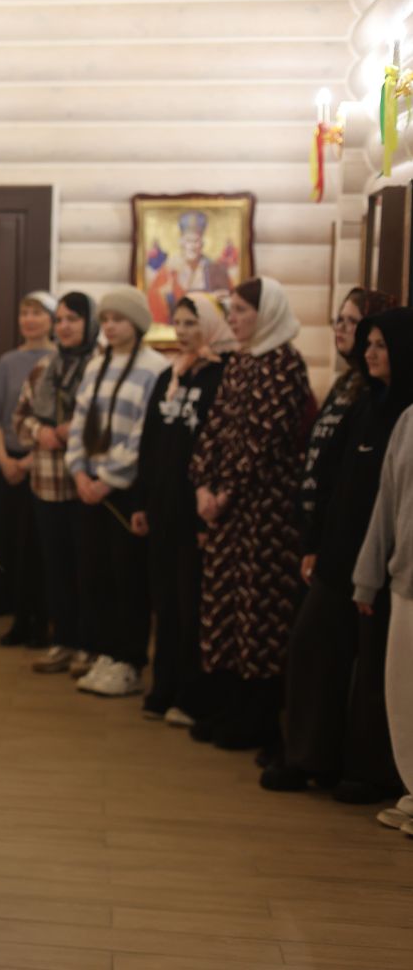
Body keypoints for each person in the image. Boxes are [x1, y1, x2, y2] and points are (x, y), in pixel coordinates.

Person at [266, 310, 413, 802]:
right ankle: (309, 757)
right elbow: (329, 477)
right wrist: (313, 543)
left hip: (386, 563)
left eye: (381, 345)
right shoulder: (364, 404)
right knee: (311, 646)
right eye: (367, 344)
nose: (369, 353)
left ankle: (370, 772)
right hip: (337, 554)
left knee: (374, 670)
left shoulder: (406, 413)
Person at [189, 276, 313, 751]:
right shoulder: (241, 362)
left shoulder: (286, 363)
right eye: (232, 310)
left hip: (264, 511)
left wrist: (225, 493)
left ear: (268, 313)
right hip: (224, 509)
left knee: (258, 612)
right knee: (223, 607)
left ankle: (256, 719)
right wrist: (203, 484)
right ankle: (225, 708)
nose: (234, 319)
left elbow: (264, 440)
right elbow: (215, 429)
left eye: (242, 310)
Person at [131, 292, 234, 725]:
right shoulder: (169, 375)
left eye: (192, 322)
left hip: (197, 512)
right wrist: (141, 502)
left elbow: (220, 447)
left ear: (209, 325)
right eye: (178, 322)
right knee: (165, 603)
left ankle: (191, 696)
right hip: (162, 507)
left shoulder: (222, 376)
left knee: (192, 605)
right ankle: (163, 687)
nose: (183, 331)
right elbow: (150, 444)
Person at [64, 287, 169, 697]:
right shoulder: (97, 365)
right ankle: (104, 651)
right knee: (96, 574)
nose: (109, 326)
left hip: (124, 489)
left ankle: (129, 660)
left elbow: (144, 433)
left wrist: (109, 478)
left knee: (128, 577)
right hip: (89, 484)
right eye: (105, 319)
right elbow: (79, 423)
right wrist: (79, 472)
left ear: (137, 323)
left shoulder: (155, 368)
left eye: (118, 319)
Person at [13, 292, 98, 676]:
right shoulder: (43, 368)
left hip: (88, 486)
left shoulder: (101, 366)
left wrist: (72, 430)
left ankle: (90, 646)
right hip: (47, 483)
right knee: (57, 568)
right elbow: (20, 419)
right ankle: (63, 641)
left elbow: (103, 419)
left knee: (89, 570)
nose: (64, 326)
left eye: (72, 319)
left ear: (89, 323)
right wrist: (42, 432)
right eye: (60, 319)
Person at [0, 290, 56, 646]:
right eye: (25, 313)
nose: (29, 319)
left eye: (37, 313)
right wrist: (4, 460)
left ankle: (42, 621)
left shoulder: (57, 360)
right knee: (10, 543)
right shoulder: (7, 361)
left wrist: (27, 463)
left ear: (51, 320)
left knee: (37, 548)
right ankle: (17, 618)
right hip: (8, 462)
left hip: (43, 464)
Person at [354, 405, 413, 834]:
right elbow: (387, 498)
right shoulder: (409, 420)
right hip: (405, 581)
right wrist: (367, 576)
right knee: (402, 695)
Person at [303, 288, 398, 533]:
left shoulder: (373, 390)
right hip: (319, 515)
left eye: (352, 321)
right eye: (339, 319)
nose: (341, 328)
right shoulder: (345, 382)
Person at [145, 211, 233, 323]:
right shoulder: (169, 270)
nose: (192, 246)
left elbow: (228, 303)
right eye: (188, 241)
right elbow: (153, 299)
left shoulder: (216, 270)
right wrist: (164, 295)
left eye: (196, 241)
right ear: (181, 242)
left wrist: (216, 300)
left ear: (202, 243)